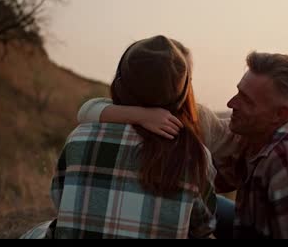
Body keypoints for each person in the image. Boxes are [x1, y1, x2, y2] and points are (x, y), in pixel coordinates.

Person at [78, 52, 288, 239]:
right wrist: (141, 116)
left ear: (279, 115)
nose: (230, 104)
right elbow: (89, 110)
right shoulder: (252, 134)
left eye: (246, 100)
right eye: (238, 91)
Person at [23, 35, 217, 239]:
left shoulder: (79, 138)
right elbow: (204, 226)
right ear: (183, 93)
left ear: (119, 83)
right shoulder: (194, 154)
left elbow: (60, 198)